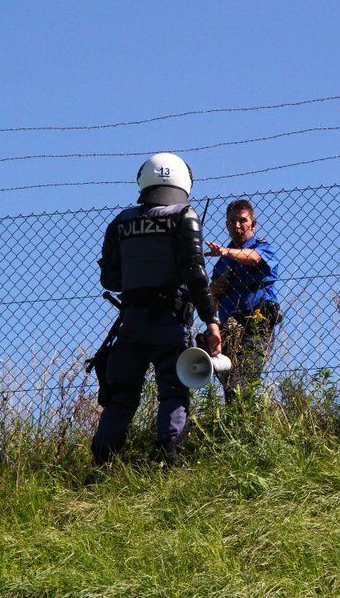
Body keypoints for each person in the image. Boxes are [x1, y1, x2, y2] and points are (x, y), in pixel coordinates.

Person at [91, 152, 222, 465]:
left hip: (131, 322)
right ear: (185, 180)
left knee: (120, 396)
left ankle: (102, 464)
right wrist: (211, 320)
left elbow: (110, 279)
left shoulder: (121, 221)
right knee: (174, 390)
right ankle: (168, 459)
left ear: (143, 179)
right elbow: (195, 274)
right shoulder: (184, 215)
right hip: (170, 321)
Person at [205, 199, 281, 403]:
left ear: (253, 224)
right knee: (229, 384)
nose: (237, 225)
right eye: (231, 221)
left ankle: (244, 416)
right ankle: (237, 418)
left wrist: (227, 252)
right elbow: (213, 302)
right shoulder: (222, 263)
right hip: (229, 328)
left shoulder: (262, 247)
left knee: (242, 380)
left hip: (256, 323)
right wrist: (213, 290)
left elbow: (254, 258)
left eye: (242, 220)